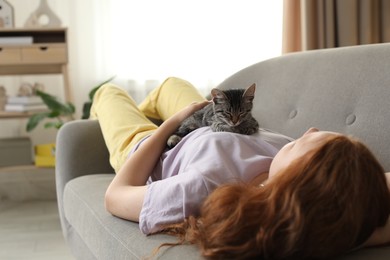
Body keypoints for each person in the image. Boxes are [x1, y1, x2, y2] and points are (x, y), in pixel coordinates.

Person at [90, 77, 390, 259]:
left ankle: (144, 116)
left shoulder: (204, 187)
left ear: (297, 178)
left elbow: (115, 196)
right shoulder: (286, 162)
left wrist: (171, 124)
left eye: (307, 141)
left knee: (108, 93)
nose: (309, 129)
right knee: (171, 83)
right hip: (210, 120)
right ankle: (153, 105)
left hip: (153, 148)